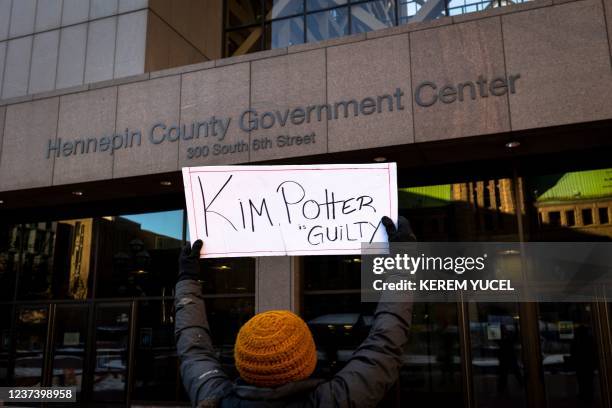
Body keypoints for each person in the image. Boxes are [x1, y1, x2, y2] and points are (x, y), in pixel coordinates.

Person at [175, 216, 415, 407]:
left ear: (241, 360)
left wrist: (187, 278)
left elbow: (192, 347)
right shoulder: (334, 400)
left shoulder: (214, 398)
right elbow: (385, 342)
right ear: (308, 357)